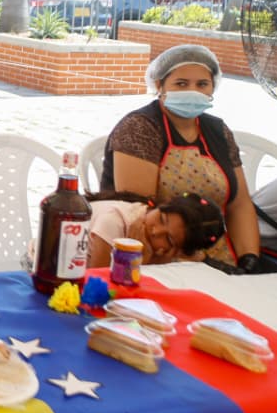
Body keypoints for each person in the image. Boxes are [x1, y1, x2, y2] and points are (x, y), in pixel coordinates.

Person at [99, 44, 263, 273]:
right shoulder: (139, 128)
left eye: (202, 84)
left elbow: (240, 204)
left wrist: (248, 260)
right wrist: (194, 260)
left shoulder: (218, 131)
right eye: (181, 84)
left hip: (219, 261)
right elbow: (141, 214)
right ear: (159, 85)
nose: (193, 91)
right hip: (153, 255)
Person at [85, 191, 225, 268]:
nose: (156, 231)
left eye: (168, 238)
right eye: (162, 219)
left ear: (177, 251)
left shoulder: (163, 254)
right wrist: (138, 264)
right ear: (163, 205)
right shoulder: (114, 222)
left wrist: (159, 261)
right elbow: (96, 290)